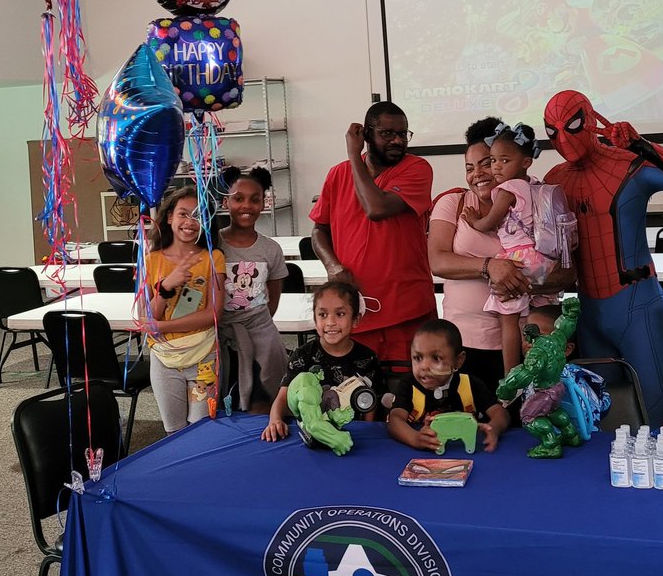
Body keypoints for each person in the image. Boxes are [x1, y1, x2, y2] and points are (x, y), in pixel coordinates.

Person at [543, 89, 663, 426]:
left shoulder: (628, 164)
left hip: (636, 303)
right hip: (588, 307)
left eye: (571, 125)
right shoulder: (554, 180)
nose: (562, 138)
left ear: (590, 119)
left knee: (660, 411)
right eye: (552, 130)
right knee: (600, 412)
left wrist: (641, 145)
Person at [428, 117, 576, 392]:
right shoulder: (454, 203)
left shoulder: (537, 201)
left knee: (521, 417)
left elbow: (568, 272)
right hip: (463, 344)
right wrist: (490, 266)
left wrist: (524, 281)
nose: (481, 173)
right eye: (469, 168)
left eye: (489, 162)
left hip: (525, 342)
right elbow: (438, 261)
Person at [310, 101, 435, 366]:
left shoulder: (417, 168)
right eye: (387, 133)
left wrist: (354, 155)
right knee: (358, 394)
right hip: (357, 311)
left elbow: (375, 208)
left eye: (403, 134)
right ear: (366, 135)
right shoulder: (337, 174)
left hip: (406, 308)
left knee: (405, 395)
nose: (397, 141)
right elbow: (319, 229)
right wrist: (332, 266)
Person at [459, 122, 562, 372]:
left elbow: (489, 222)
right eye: (493, 160)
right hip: (540, 260)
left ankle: (511, 376)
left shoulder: (507, 188)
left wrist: (474, 220)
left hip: (519, 260)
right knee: (536, 321)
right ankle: (539, 372)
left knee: (509, 321)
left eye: (503, 161)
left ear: (525, 161)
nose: (496, 168)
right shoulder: (533, 186)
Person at [144, 187, 225, 434]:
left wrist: (162, 327)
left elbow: (213, 315)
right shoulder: (151, 259)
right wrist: (167, 285)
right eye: (183, 214)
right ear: (169, 217)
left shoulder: (213, 257)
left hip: (204, 355)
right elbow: (149, 316)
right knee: (173, 431)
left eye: (198, 215)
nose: (191, 222)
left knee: (201, 430)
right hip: (164, 358)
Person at [261, 282, 382, 442]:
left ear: (355, 319)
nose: (330, 322)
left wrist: (368, 435)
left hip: (354, 437)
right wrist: (275, 420)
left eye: (340, 314)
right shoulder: (302, 355)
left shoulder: (367, 358)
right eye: (323, 315)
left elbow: (370, 405)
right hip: (310, 433)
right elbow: (283, 397)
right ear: (314, 318)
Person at [219, 166, 288, 411]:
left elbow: (274, 298)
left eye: (255, 199)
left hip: (261, 336)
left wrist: (257, 324)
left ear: (263, 203)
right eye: (238, 199)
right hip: (220, 336)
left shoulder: (271, 250)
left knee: (263, 402)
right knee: (223, 403)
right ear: (226, 202)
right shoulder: (212, 244)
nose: (246, 206)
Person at [387, 318, 509, 453]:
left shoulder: (470, 384)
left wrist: (493, 429)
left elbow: (500, 413)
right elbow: (395, 420)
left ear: (458, 361)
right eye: (417, 358)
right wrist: (415, 439)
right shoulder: (409, 385)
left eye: (436, 358)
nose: (424, 366)